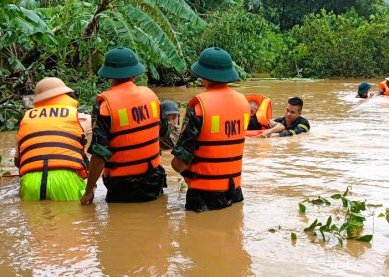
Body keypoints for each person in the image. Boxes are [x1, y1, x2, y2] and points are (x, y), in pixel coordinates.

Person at [80, 47, 166, 205]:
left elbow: (100, 154)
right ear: (135, 74)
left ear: (109, 75)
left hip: (122, 186)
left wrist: (89, 190)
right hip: (154, 179)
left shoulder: (105, 106)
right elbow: (163, 130)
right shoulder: (151, 96)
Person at [171, 47, 250, 213]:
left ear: (203, 75)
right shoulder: (244, 103)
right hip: (235, 191)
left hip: (204, 195)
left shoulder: (200, 107)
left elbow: (180, 163)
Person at [14, 77, 91, 201]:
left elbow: (17, 161)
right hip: (66, 180)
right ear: (65, 95)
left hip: (31, 183)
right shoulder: (81, 117)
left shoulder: (26, 120)